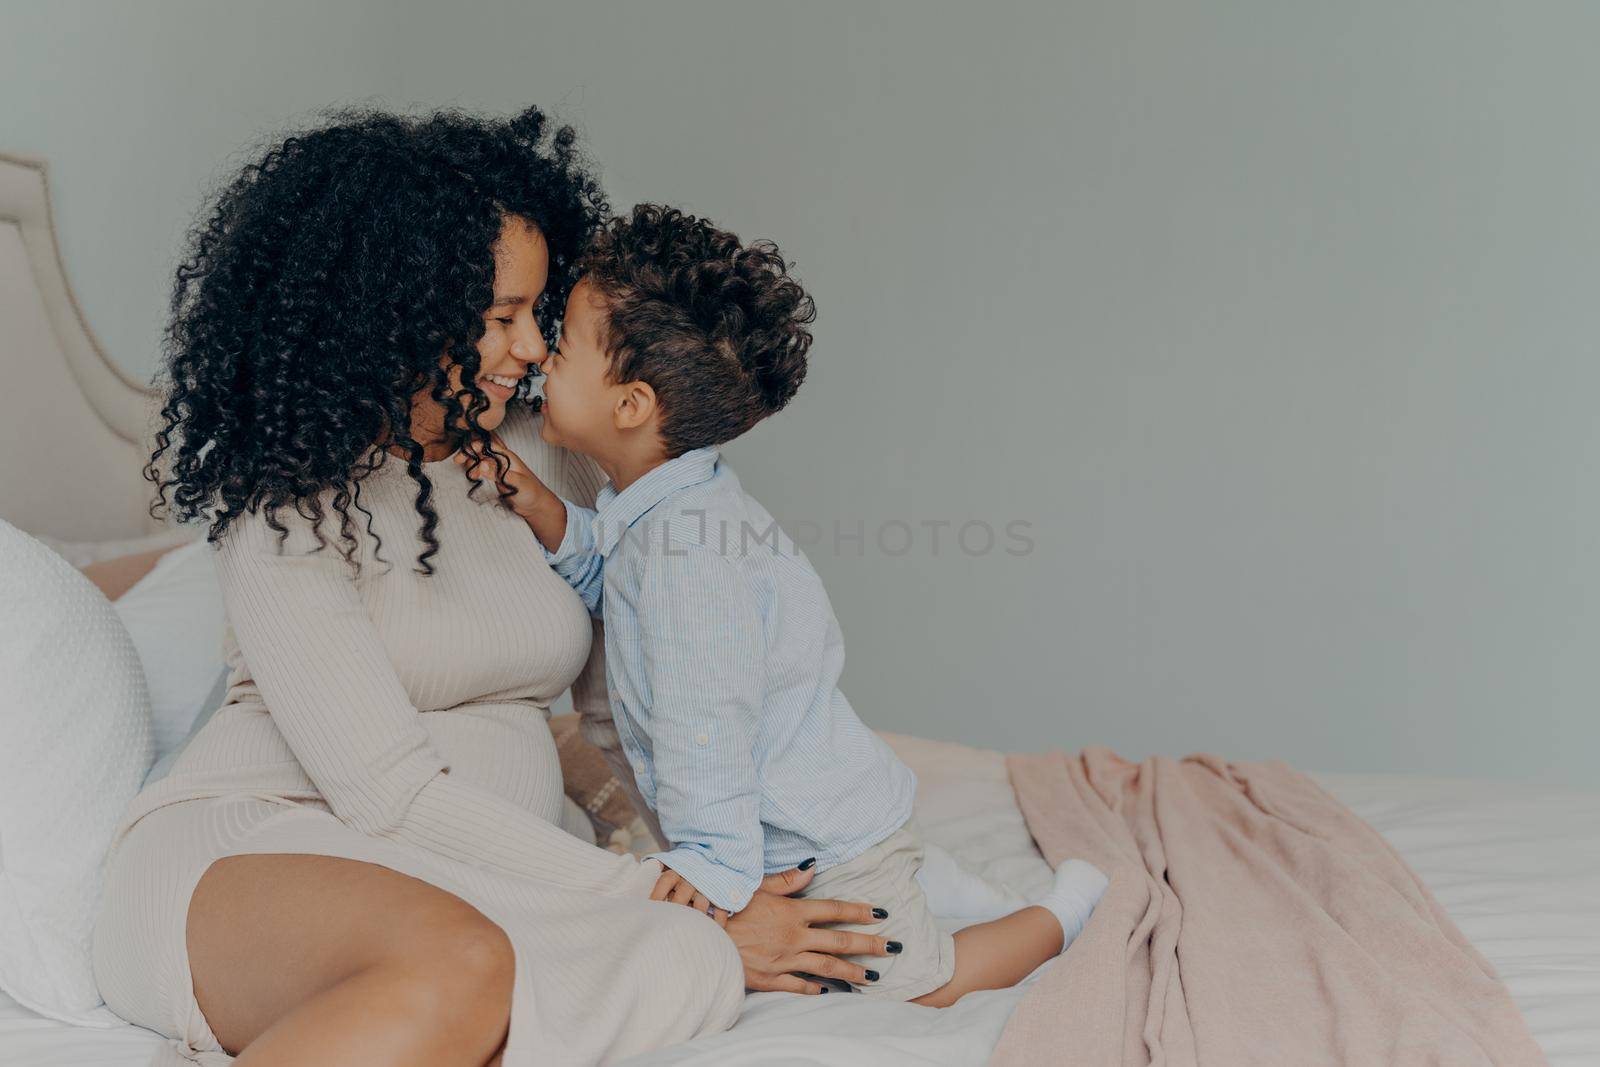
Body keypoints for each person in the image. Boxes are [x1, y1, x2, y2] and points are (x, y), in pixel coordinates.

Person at [92, 107, 889, 1067]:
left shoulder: (556, 459)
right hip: (264, 845)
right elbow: (384, 793)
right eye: (503, 316)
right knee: (472, 963)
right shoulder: (289, 504)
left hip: (469, 868)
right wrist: (659, 894)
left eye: (539, 312)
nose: (535, 349)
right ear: (399, 310)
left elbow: (632, 707)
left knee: (679, 962)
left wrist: (701, 877)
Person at [457, 204, 1109, 1006]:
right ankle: (935, 879)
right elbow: (610, 578)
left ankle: (1062, 912)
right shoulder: (662, 508)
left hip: (816, 841)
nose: (539, 360)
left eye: (560, 350)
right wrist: (543, 509)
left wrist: (713, 868)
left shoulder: (688, 556)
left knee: (916, 984)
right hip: (819, 814)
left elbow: (709, 721)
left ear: (629, 405)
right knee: (894, 911)